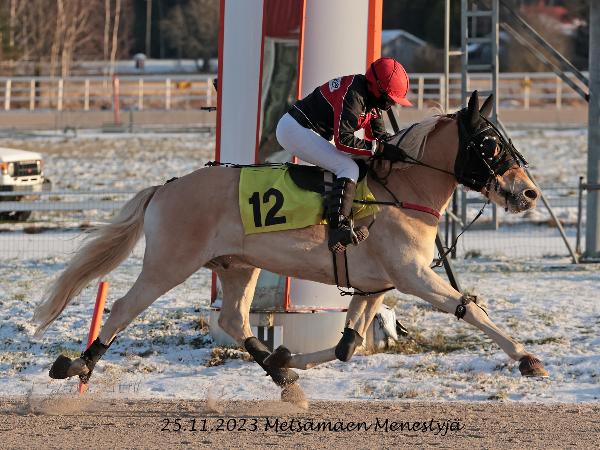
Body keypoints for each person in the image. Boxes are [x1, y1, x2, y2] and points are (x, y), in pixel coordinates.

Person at [275, 57, 412, 252]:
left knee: (361, 163)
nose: (391, 105)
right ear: (377, 88)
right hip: (295, 129)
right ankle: (337, 228)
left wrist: (400, 150)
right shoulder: (354, 94)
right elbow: (344, 141)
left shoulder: (372, 99)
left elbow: (380, 138)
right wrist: (381, 149)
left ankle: (346, 215)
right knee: (348, 168)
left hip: (312, 132)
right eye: (389, 99)